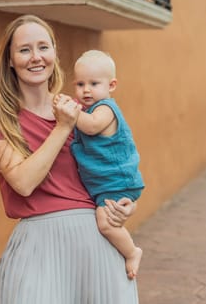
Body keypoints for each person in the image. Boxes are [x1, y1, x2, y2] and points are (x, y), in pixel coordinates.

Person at [0, 15, 139, 304]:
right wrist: (63, 126)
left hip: (93, 243)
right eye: (24, 49)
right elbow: (24, 183)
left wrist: (124, 203)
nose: (36, 57)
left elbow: (113, 163)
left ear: (53, 53)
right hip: (38, 244)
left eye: (43, 47)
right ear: (10, 60)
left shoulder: (81, 110)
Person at [56, 50, 144, 280]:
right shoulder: (86, 111)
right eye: (80, 84)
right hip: (105, 184)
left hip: (116, 181)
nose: (86, 90)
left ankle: (132, 252)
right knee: (105, 222)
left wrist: (70, 111)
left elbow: (92, 126)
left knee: (106, 224)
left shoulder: (105, 109)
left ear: (111, 85)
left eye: (94, 83)